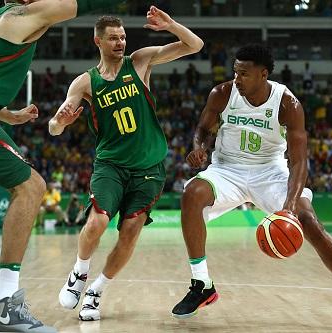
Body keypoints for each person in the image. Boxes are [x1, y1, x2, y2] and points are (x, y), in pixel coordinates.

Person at [171, 44, 332, 329]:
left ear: (263, 74)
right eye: (235, 72)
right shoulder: (222, 93)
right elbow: (202, 128)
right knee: (191, 194)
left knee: (307, 218)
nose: (237, 79)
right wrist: (199, 147)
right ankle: (201, 284)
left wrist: (288, 207)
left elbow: (299, 162)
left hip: (269, 172)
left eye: (244, 74)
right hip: (227, 169)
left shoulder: (287, 103)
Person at [49, 9, 203, 321]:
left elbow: (195, 45)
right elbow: (53, 127)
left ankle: (97, 290)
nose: (120, 42)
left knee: (130, 231)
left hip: (149, 167)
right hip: (111, 166)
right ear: (98, 41)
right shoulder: (85, 83)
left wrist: (172, 25)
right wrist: (60, 123)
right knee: (97, 222)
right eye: (113, 38)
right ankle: (79, 273)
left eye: (122, 37)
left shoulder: (141, 61)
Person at [0, 1, 128, 332]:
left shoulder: (0, 21)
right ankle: (3, 305)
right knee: (31, 186)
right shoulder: (18, 16)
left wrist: (7, 114)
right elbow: (78, 6)